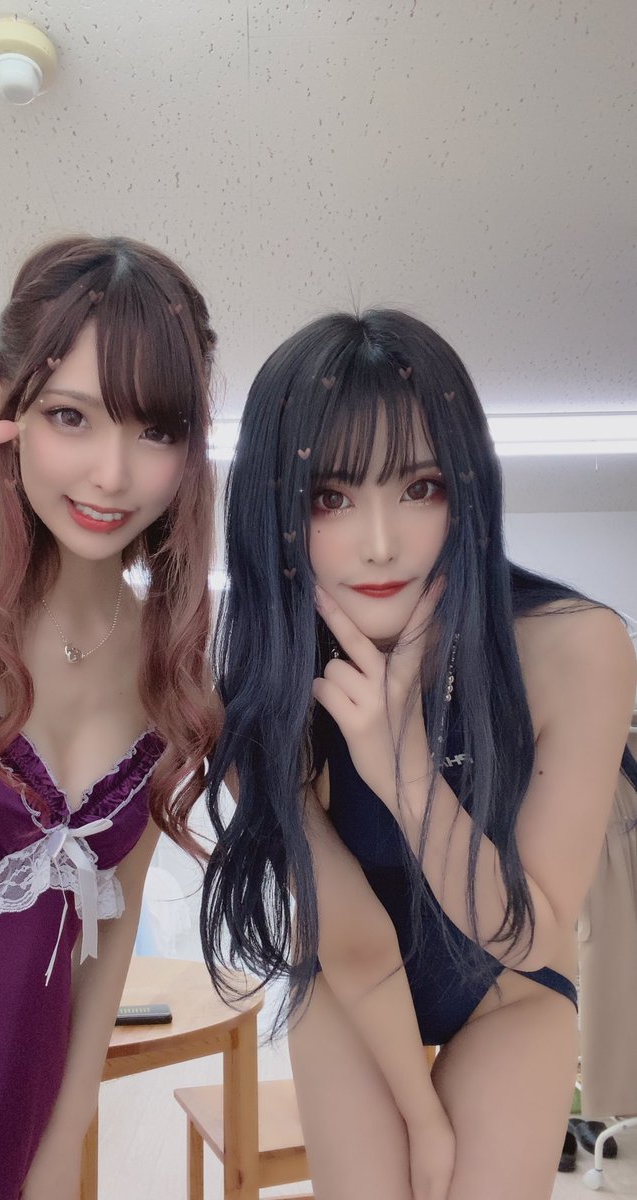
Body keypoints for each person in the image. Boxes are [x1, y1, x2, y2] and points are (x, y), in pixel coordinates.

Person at [200, 309, 637, 1200]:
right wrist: (421, 1117)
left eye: (420, 487)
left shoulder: (575, 647)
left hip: (508, 982)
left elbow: (531, 930)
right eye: (329, 498)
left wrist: (398, 765)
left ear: (466, 489)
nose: (379, 543)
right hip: (351, 984)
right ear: (274, 515)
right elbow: (347, 933)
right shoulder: (264, 684)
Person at [0, 235, 217, 1200]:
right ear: (3, 403)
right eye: (70, 416)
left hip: (2, 1135)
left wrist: (62, 1148)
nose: (110, 474)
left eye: (155, 430)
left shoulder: (171, 676)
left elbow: (110, 932)